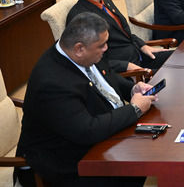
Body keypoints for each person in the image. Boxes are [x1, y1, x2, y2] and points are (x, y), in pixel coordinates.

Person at [17, 12, 156, 187]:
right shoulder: (52, 83)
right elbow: (87, 130)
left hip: (98, 139)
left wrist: (132, 89)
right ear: (79, 48)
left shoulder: (81, 53)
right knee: (135, 168)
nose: (106, 48)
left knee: (150, 150)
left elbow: (106, 76)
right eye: (102, 45)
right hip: (64, 162)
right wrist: (134, 109)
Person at [66, 0, 172, 73]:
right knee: (173, 74)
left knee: (180, 57)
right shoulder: (81, 18)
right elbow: (93, 60)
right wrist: (126, 66)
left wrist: (142, 45)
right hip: (126, 71)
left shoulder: (105, 0)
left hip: (139, 54)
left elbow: (124, 33)